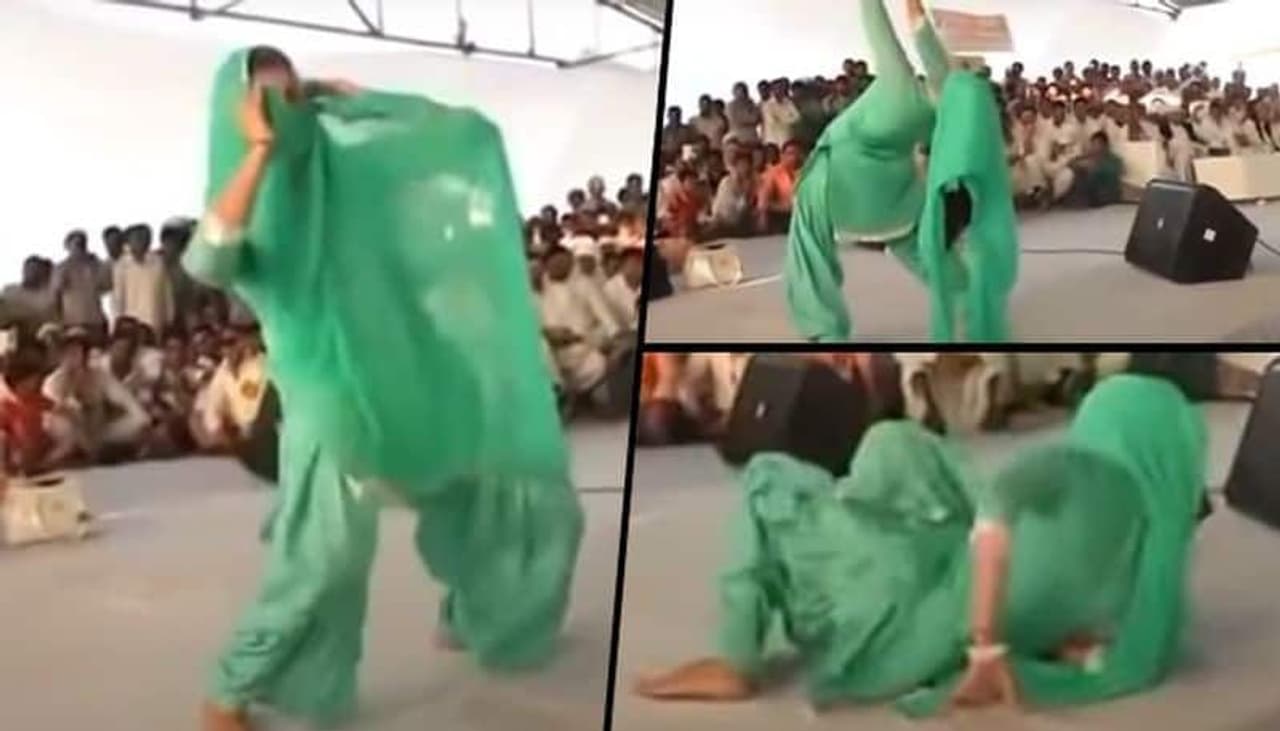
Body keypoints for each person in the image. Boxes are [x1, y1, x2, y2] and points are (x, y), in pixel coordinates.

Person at [186, 46, 582, 731]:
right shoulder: (258, 208)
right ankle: (229, 691)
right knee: (324, 559)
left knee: (483, 478)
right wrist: (259, 150)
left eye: (291, 96)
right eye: (266, 101)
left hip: (406, 370)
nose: (284, 113)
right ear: (239, 116)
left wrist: (354, 103)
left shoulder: (338, 182)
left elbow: (434, 165)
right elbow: (208, 261)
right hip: (329, 398)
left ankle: (474, 607)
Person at [635, 374, 1204, 719]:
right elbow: (1123, 661)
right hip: (922, 638)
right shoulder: (1151, 572)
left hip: (894, 595)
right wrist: (1057, 649)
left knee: (768, 478)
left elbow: (996, 507)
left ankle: (735, 658)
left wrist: (986, 647)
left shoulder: (1083, 469)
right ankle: (895, 510)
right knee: (893, 445)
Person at [783, 0, 1018, 343]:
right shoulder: (949, 110)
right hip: (894, 193)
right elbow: (928, 45)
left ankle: (823, 329)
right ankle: (970, 301)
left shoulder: (903, 82)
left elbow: (882, 25)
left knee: (808, 244)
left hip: (839, 180)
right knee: (921, 245)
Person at [113, 223, 173, 334]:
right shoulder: (121, 265)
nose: (143, 241)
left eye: (146, 238)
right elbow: (118, 298)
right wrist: (117, 324)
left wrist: (170, 318)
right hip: (131, 323)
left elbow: (167, 293)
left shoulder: (158, 262)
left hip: (155, 321)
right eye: (138, 238)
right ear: (129, 241)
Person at [50, 229, 110, 339]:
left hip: (96, 320)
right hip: (72, 321)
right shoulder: (61, 267)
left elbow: (106, 287)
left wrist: (94, 265)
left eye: (83, 243)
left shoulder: (96, 264)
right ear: (67, 246)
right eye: (77, 244)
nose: (80, 247)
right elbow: (56, 293)